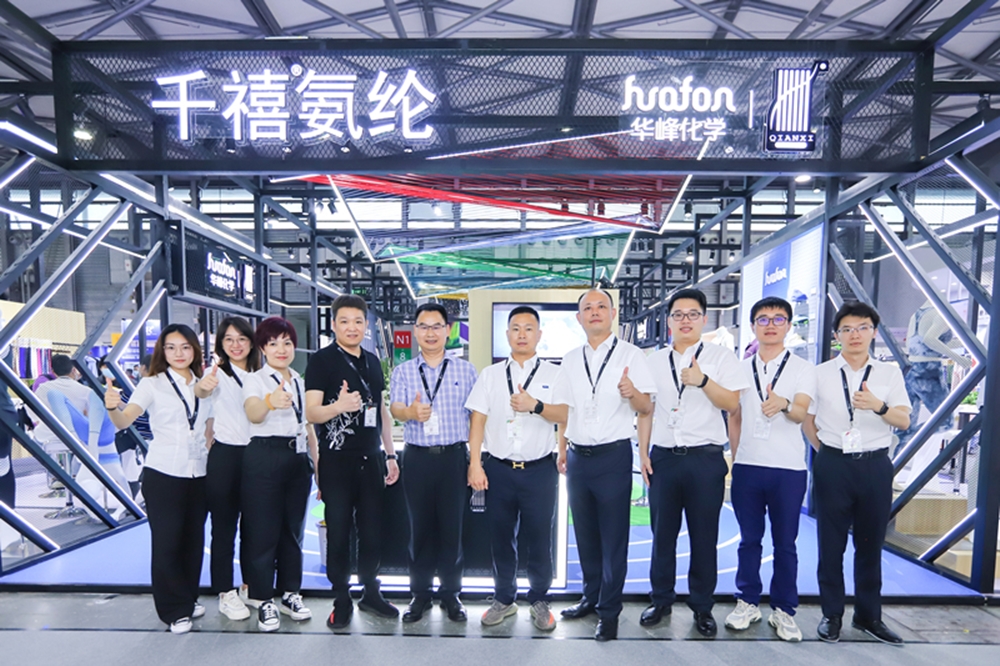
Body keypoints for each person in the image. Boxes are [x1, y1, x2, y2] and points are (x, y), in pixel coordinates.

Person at [637, 288, 746, 638]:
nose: (685, 320)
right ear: (668, 320)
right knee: (662, 536)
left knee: (704, 537)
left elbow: (732, 404)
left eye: (693, 314)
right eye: (678, 314)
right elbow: (646, 410)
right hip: (664, 459)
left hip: (705, 459)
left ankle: (702, 606)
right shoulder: (654, 361)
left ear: (704, 319)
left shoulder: (721, 358)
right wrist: (643, 452)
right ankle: (661, 600)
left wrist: (703, 381)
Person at [803, 301, 911, 645]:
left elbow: (903, 420)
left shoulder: (889, 374)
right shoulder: (820, 373)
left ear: (873, 332)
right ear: (837, 335)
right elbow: (808, 420)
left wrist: (879, 406)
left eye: (862, 328)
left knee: (870, 544)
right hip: (833, 463)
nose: (855, 335)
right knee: (830, 544)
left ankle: (868, 616)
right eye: (847, 329)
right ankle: (831, 615)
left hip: (875, 465)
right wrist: (827, 451)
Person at [553, 289, 655, 642]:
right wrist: (562, 447)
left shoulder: (631, 355)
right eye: (587, 308)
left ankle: (609, 612)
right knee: (585, 535)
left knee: (613, 539)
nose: (594, 312)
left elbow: (646, 407)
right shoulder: (570, 359)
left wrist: (632, 392)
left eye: (601, 306)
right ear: (579, 318)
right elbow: (564, 410)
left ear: (613, 314)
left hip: (613, 457)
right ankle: (590, 597)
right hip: (577, 457)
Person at [104, 324, 214, 635]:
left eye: (185, 347)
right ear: (162, 352)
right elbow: (125, 420)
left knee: (194, 542)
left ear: (195, 350)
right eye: (171, 347)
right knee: (167, 543)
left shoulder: (205, 384)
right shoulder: (152, 384)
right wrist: (111, 407)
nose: (179, 353)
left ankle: (188, 598)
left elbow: (209, 429)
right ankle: (173, 610)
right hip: (164, 472)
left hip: (199, 473)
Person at [466, 305, 568, 631]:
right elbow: (477, 420)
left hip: (540, 471)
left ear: (539, 335)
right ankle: (504, 598)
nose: (522, 334)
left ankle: (539, 599)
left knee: (539, 538)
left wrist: (534, 405)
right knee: (500, 537)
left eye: (528, 328)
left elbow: (565, 414)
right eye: (515, 328)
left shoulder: (555, 374)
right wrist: (475, 463)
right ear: (507, 334)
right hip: (498, 469)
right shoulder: (490, 375)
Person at [305, 295, 400, 630]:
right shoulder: (321, 361)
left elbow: (381, 411)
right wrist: (338, 407)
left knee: (373, 531)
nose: (352, 327)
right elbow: (311, 412)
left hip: (371, 459)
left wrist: (390, 454)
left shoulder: (373, 361)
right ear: (333, 325)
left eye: (358, 321)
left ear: (366, 326)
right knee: (339, 531)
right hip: (337, 462)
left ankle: (371, 592)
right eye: (344, 321)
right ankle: (341, 598)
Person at [724, 297, 816, 642]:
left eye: (778, 319)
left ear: (788, 326)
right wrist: (737, 457)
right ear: (753, 327)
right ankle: (747, 601)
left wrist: (784, 403)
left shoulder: (802, 368)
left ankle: (784, 610)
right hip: (748, 467)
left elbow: (801, 413)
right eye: (763, 319)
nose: (771, 325)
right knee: (749, 540)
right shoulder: (739, 368)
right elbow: (734, 416)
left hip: (788, 469)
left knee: (785, 543)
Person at [390, 303, 478, 623]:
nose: (430, 333)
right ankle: (420, 594)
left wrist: (475, 460)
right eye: (424, 326)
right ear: (415, 331)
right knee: (419, 529)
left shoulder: (466, 371)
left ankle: (451, 595)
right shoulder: (403, 371)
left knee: (453, 529)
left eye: (436, 326)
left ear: (447, 330)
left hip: (453, 458)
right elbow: (396, 409)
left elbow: (477, 417)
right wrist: (410, 413)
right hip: (417, 458)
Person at [241, 316, 318, 633]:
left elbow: (308, 426)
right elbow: (253, 413)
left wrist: (317, 466)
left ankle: (290, 593)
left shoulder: (299, 380)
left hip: (297, 458)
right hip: (264, 456)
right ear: (262, 348)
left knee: (292, 532)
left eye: (286, 342)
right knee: (262, 532)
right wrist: (270, 402)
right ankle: (262, 599)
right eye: (273, 343)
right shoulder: (255, 380)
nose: (281, 349)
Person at [198, 316, 260, 621]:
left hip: (258, 456)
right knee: (224, 529)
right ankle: (225, 591)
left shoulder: (261, 376)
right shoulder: (215, 375)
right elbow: (201, 394)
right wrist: (203, 387)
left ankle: (249, 586)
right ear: (221, 344)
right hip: (225, 456)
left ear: (251, 342)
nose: (236, 345)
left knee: (254, 528)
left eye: (242, 339)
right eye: (229, 339)